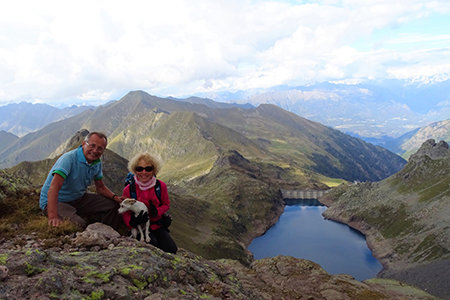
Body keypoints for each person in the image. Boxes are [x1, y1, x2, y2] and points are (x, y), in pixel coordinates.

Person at [39, 131, 124, 230]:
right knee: (79, 223)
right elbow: (54, 188)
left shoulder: (97, 163)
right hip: (58, 201)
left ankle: (108, 234)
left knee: (113, 206)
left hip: (78, 198)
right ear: (84, 144)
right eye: (92, 145)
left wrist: (115, 197)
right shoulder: (68, 159)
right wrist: (53, 216)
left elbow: (100, 187)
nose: (95, 150)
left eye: (100, 148)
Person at [122, 152, 177, 254]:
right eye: (139, 169)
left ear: (154, 170)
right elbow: (126, 211)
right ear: (135, 170)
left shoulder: (161, 186)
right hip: (140, 228)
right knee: (152, 246)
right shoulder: (129, 190)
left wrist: (157, 211)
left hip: (157, 225)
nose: (144, 172)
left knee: (171, 249)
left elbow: (166, 204)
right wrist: (131, 223)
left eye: (148, 169)